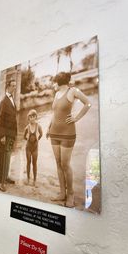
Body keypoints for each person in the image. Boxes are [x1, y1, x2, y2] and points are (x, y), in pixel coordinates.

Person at [47, 72, 91, 207]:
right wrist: (49, 127)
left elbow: (88, 103)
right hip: (54, 133)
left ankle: (70, 194)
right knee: (58, 163)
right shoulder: (56, 94)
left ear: (59, 83)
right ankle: (62, 193)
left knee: (65, 164)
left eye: (54, 82)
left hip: (68, 133)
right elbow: (55, 113)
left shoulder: (73, 91)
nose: (53, 85)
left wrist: (77, 117)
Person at [0, 79, 17, 192]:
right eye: (13, 86)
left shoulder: (12, 99)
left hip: (11, 134)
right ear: (7, 87)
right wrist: (2, 135)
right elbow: (1, 120)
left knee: (8, 156)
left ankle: (6, 177)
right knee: (3, 157)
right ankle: (1, 182)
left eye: (15, 86)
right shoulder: (3, 102)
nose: (14, 88)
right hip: (6, 135)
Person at [24, 109, 43, 187]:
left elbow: (41, 134)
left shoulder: (38, 126)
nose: (32, 118)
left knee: (34, 163)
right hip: (28, 147)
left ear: (36, 117)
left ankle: (34, 180)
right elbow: (24, 137)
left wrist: (37, 139)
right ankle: (28, 179)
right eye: (30, 117)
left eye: (33, 116)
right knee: (28, 162)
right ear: (28, 118)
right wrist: (28, 139)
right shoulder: (27, 127)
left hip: (35, 148)